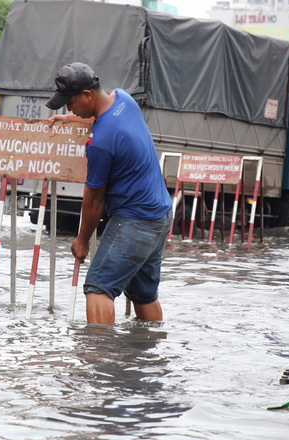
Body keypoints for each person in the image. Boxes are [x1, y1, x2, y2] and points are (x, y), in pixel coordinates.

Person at [46, 62, 172, 326]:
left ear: (87, 96)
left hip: (134, 221)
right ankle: (151, 354)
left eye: (70, 103)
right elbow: (101, 117)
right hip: (160, 216)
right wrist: (69, 119)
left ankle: (99, 359)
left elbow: (94, 201)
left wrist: (82, 240)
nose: (69, 109)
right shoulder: (124, 100)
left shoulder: (100, 142)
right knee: (144, 295)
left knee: (98, 288)